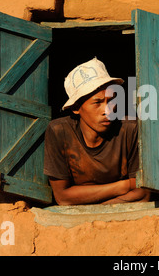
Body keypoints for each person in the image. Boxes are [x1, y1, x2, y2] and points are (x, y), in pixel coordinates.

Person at [43, 57, 150, 205]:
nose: (108, 110)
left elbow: (143, 193)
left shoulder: (129, 129)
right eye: (97, 102)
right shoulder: (59, 131)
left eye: (111, 100)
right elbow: (63, 197)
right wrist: (123, 186)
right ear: (75, 108)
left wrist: (97, 206)